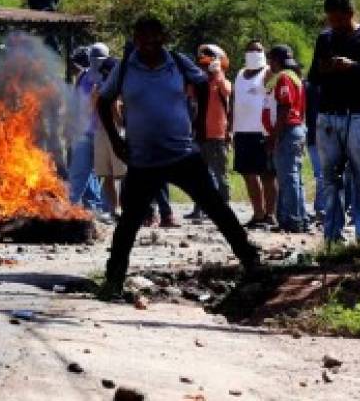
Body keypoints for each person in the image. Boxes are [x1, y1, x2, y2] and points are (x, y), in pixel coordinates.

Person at [96, 17, 259, 299]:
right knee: (128, 224)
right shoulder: (124, 69)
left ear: (163, 38)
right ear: (135, 39)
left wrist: (198, 125)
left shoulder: (177, 61)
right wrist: (115, 139)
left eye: (153, 37)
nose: (147, 43)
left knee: (217, 208)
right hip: (142, 160)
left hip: (181, 155)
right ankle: (113, 281)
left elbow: (204, 84)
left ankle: (252, 263)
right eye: (141, 37)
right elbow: (103, 101)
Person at [310, 0, 360, 242]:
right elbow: (313, 77)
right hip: (328, 115)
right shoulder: (325, 38)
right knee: (330, 178)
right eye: (331, 20)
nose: (335, 25)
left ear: (350, 14)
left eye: (339, 20)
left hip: (359, 114)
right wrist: (326, 68)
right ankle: (332, 234)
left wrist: (353, 66)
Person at [230, 41, 277, 228]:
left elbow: (274, 97)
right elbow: (234, 101)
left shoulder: (268, 72)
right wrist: (231, 128)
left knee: (267, 174)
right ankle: (258, 213)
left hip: (262, 131)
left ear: (264, 52)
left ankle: (270, 214)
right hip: (242, 130)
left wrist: (273, 131)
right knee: (248, 174)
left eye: (258, 49)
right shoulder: (240, 74)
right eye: (250, 49)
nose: (254, 52)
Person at [264, 45, 308, 233]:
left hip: (287, 131)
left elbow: (284, 107)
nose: (269, 64)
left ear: (276, 60)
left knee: (288, 178)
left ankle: (294, 220)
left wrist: (274, 135)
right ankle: (294, 219)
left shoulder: (283, 77)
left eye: (270, 60)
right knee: (292, 177)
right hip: (294, 130)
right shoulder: (293, 76)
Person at [191, 44, 232, 219]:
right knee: (199, 175)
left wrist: (218, 73)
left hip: (217, 135)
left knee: (220, 174)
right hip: (200, 134)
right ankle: (198, 209)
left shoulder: (223, 82)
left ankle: (224, 208)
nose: (204, 64)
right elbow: (189, 94)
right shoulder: (201, 82)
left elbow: (227, 91)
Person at [67, 44, 107, 212]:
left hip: (103, 133)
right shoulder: (83, 76)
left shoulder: (109, 77)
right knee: (78, 173)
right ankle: (69, 209)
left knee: (108, 176)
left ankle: (104, 210)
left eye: (99, 59)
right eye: (93, 59)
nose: (96, 62)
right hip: (84, 133)